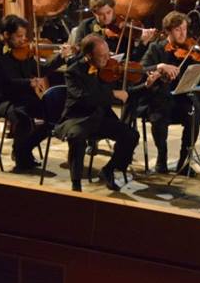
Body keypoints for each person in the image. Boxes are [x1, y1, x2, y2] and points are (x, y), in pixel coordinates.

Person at [135, 11, 200, 173]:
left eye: (184, 29)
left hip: (182, 98)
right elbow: (141, 70)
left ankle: (184, 161)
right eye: (178, 30)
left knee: (194, 116)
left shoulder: (192, 50)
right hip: (159, 99)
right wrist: (158, 68)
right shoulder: (156, 48)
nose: (183, 34)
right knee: (159, 116)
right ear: (168, 31)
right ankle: (162, 157)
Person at [0, 15, 72, 171]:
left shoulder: (23, 51)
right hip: (2, 99)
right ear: (6, 35)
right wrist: (28, 83)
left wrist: (61, 57)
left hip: (23, 98)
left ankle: (23, 150)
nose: (23, 39)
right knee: (21, 118)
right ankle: (22, 159)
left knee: (54, 115)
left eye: (24, 35)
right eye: (19, 36)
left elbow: (41, 70)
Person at [54, 34, 139, 192]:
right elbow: (85, 98)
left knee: (131, 135)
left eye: (108, 54)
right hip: (78, 117)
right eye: (102, 56)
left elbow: (127, 90)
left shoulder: (108, 68)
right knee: (77, 137)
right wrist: (112, 94)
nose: (108, 59)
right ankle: (76, 185)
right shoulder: (73, 72)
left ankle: (109, 169)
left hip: (100, 116)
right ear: (88, 56)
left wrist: (147, 82)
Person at [72, 0, 156, 58]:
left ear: (113, 9)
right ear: (94, 13)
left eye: (108, 12)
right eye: (101, 14)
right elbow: (79, 53)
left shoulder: (125, 28)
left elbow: (134, 58)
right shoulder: (85, 25)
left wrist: (143, 43)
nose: (106, 17)